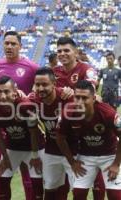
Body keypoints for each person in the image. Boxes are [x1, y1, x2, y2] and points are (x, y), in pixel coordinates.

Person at [0, 31, 40, 200]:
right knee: (1, 166)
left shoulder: (32, 67)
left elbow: (38, 91)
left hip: (24, 123)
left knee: (29, 171)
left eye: (13, 43)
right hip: (1, 121)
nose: (9, 46)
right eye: (7, 43)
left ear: (21, 46)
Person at [53, 36, 104, 200]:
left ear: (75, 52)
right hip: (65, 129)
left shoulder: (86, 69)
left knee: (95, 174)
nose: (62, 54)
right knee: (66, 177)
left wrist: (72, 92)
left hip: (87, 129)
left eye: (66, 50)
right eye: (59, 51)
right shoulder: (54, 73)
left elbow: (91, 90)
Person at [57, 80, 121, 200]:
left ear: (93, 98)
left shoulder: (107, 113)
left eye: (84, 98)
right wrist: (72, 162)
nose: (80, 102)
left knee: (115, 196)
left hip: (109, 156)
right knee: (78, 194)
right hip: (85, 156)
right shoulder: (68, 113)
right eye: (77, 97)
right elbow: (60, 138)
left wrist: (116, 164)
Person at [0, 76, 44, 200]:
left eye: (6, 91)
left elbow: (34, 133)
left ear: (15, 91)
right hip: (12, 147)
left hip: (34, 147)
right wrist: (5, 157)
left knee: (37, 184)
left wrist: (35, 156)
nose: (2, 96)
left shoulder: (26, 106)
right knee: (2, 181)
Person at [29, 68, 76, 200]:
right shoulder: (33, 100)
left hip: (74, 150)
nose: (40, 88)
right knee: (49, 188)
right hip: (52, 150)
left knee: (78, 189)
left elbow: (91, 101)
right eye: (37, 84)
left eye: (44, 84)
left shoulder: (67, 97)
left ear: (54, 84)